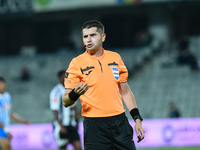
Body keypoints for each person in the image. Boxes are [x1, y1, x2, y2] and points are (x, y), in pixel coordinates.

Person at [62, 20, 145, 150]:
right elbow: (65, 101)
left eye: (93, 35)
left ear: (103, 37)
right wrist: (75, 93)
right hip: (95, 127)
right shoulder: (76, 63)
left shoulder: (115, 58)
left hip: (119, 123)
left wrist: (137, 119)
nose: (88, 40)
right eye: (85, 36)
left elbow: (125, 92)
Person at [49, 70, 82, 150]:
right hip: (61, 125)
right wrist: (61, 126)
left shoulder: (71, 89)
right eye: (63, 77)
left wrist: (76, 121)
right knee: (62, 147)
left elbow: (75, 107)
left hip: (71, 124)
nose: (65, 78)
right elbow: (55, 110)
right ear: (59, 78)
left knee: (78, 146)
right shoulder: (56, 92)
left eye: (67, 76)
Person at [0, 77, 30, 143]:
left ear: (5, 84)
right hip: (1, 129)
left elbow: (9, 113)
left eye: (1, 83)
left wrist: (22, 120)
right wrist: (6, 131)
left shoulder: (7, 96)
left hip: (5, 127)